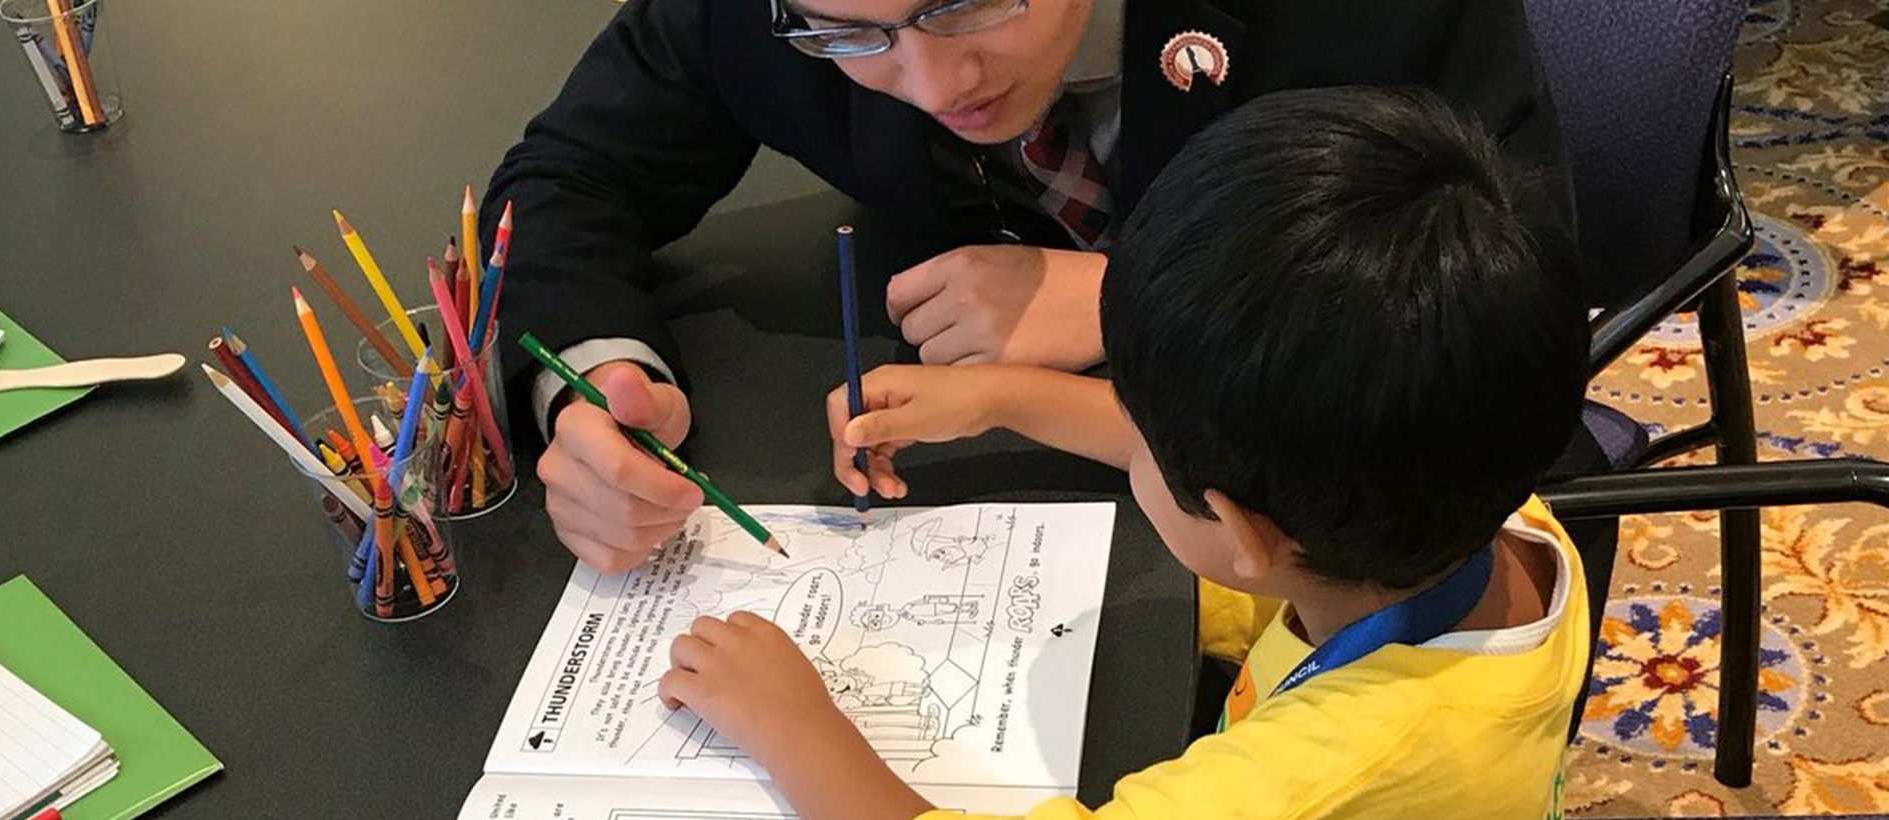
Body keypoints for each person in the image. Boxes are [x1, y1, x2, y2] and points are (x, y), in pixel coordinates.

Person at [656, 87, 1593, 819]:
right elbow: (1239, 465)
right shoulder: (1483, 492)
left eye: (1141, 438)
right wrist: (999, 397)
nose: (1125, 433)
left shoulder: (1304, 783)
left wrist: (794, 727)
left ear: (1242, 532)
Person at [483, 0, 1574, 572]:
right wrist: (594, 380)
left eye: (969, 1)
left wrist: (1126, 297)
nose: (931, 82)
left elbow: (1513, 257)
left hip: (1340, 486)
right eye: (847, 37)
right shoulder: (753, 13)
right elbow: (569, 177)